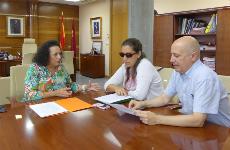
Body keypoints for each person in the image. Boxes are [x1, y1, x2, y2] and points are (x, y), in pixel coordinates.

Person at [129, 36, 230, 127]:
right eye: (171, 55)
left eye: (176, 56)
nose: (171, 60)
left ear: (193, 56)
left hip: (220, 131)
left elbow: (198, 120)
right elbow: (165, 98)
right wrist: (143, 104)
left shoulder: (205, 77)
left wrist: (157, 119)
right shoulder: (178, 72)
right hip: (192, 124)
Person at [23, 40, 100, 101]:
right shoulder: (34, 69)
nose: (59, 57)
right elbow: (29, 94)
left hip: (61, 104)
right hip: (39, 106)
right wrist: (54, 93)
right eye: (55, 54)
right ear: (45, 56)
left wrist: (85, 87)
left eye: (60, 54)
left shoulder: (61, 68)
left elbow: (70, 85)